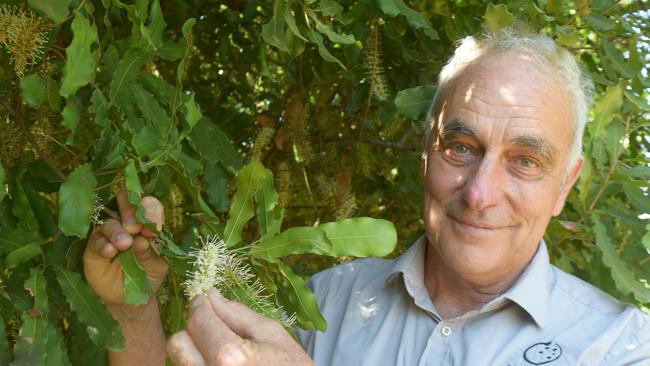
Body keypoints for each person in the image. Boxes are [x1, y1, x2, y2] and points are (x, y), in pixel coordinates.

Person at [85, 29, 650, 365]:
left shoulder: (620, 348)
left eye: (525, 162)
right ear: (425, 152)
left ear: (565, 186)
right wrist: (131, 306)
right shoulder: (324, 302)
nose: (480, 194)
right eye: (461, 146)